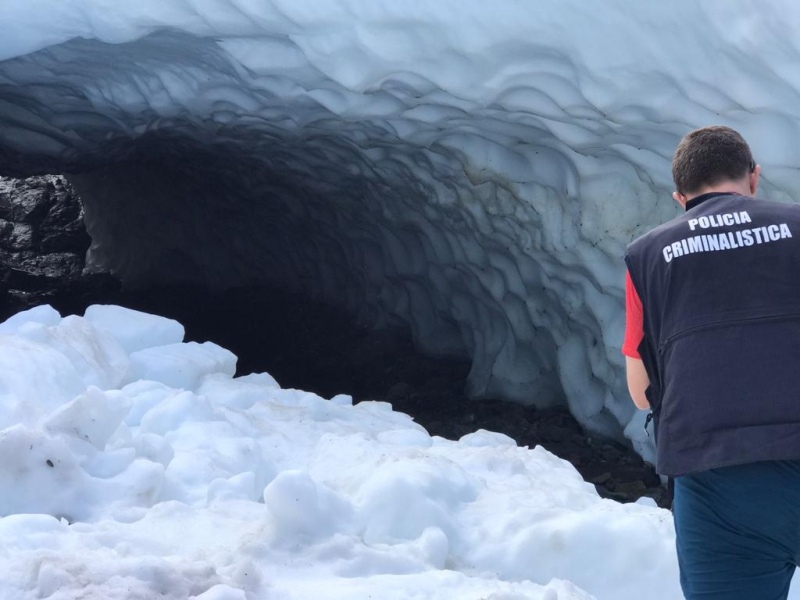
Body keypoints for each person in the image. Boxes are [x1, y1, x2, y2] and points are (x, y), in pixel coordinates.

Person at [623, 125, 800, 600]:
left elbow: (641, 391)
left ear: (679, 197)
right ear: (754, 178)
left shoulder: (648, 256)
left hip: (720, 484)